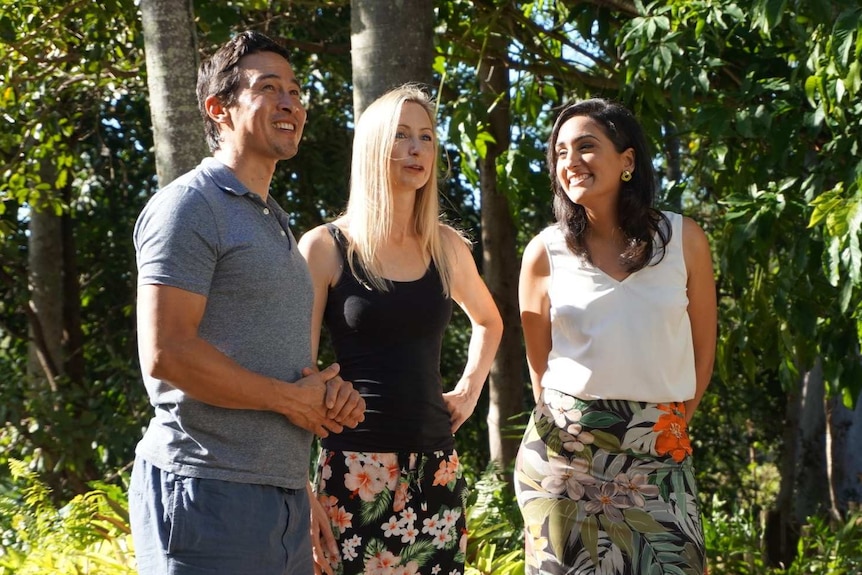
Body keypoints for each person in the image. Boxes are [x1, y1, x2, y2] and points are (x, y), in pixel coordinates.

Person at [129, 31, 365, 575]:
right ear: (219, 109)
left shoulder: (274, 220)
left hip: (279, 498)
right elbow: (167, 353)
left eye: (295, 90)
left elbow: (266, 362)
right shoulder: (189, 206)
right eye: (268, 88)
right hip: (204, 493)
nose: (291, 102)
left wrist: (326, 395)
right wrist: (288, 399)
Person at [298, 84, 503, 575]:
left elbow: (490, 321)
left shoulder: (448, 248)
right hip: (351, 472)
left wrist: (470, 390)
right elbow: (297, 376)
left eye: (427, 137)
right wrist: (300, 489)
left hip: (437, 468)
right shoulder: (324, 248)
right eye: (401, 136)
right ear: (373, 148)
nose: (416, 149)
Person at [515, 98, 717, 575]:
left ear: (627, 161)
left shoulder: (685, 240)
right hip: (565, 457)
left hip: (659, 451)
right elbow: (539, 367)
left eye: (586, 147)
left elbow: (703, 353)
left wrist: (660, 426)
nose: (571, 162)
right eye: (560, 153)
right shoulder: (544, 251)